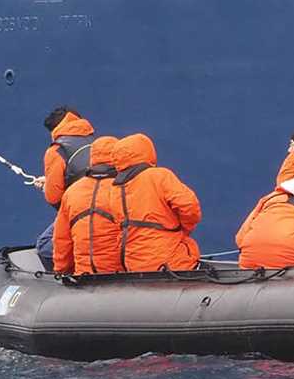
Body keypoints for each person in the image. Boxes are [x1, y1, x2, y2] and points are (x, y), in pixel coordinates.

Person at [111, 133, 202, 272]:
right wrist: (185, 229)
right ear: (148, 152)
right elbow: (189, 206)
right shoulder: (159, 176)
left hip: (133, 264)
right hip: (170, 261)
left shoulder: (115, 188)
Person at [35, 106, 100, 263]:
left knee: (45, 246)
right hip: (110, 206)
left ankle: (68, 278)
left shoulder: (56, 150)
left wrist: (46, 186)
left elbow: (54, 197)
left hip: (82, 209)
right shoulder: (97, 142)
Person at [51, 136, 123, 275]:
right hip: (121, 278)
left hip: (84, 277)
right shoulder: (125, 189)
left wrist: (61, 272)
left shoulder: (72, 191)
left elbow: (61, 239)